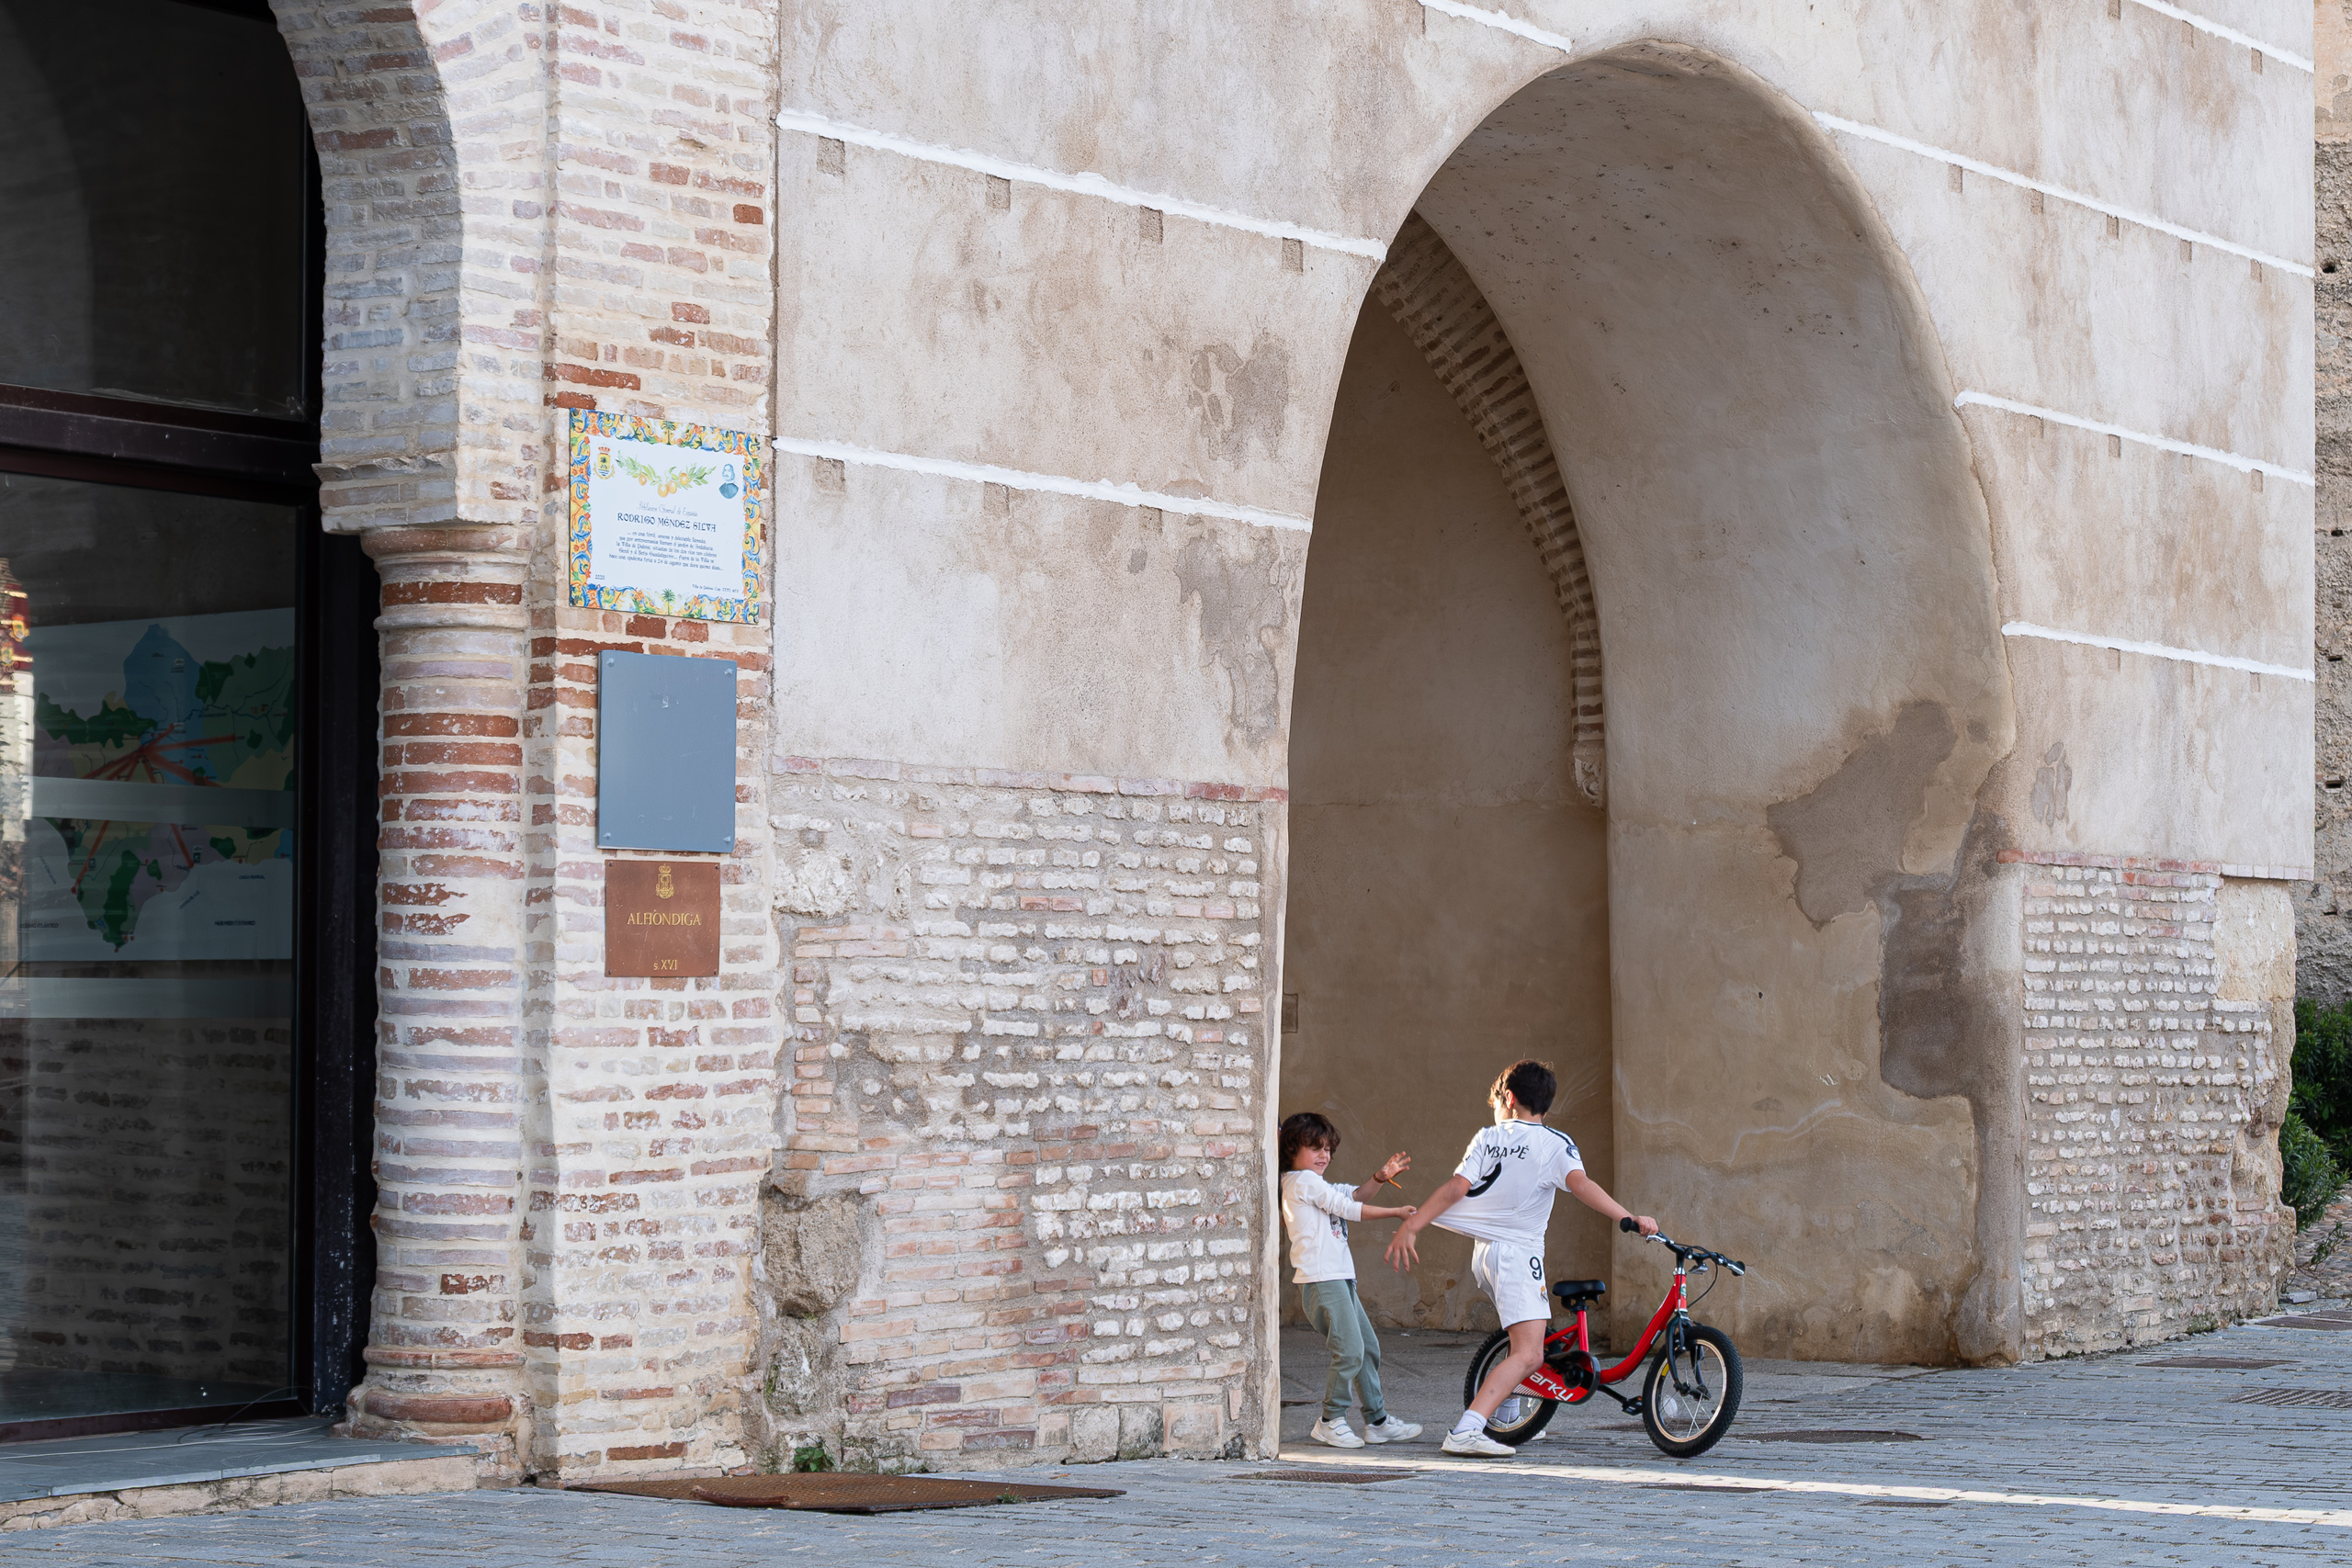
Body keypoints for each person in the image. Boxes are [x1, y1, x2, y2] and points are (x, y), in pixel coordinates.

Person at [1382, 1059, 1656, 1458]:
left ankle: (1504, 1415)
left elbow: (1457, 1188)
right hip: (1517, 1254)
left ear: (1508, 1098)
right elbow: (1581, 1185)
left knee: (1522, 1344)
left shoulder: (1486, 1137)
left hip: (1489, 1256)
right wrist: (1627, 1217)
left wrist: (1414, 1224)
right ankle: (1468, 1429)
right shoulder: (1554, 1143)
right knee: (1530, 1353)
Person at [1278, 1111, 1424, 1449]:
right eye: (1315, 1147)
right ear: (1292, 1149)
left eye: (1328, 1148)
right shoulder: (1301, 1182)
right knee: (1350, 1351)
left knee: (1367, 1349)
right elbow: (1350, 1210)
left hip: (1339, 1278)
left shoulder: (1317, 1184)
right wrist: (1397, 1213)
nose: (1324, 1155)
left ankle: (1378, 1422)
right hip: (1322, 1281)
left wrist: (1380, 1177)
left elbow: (1355, 1196)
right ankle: (1330, 1420)